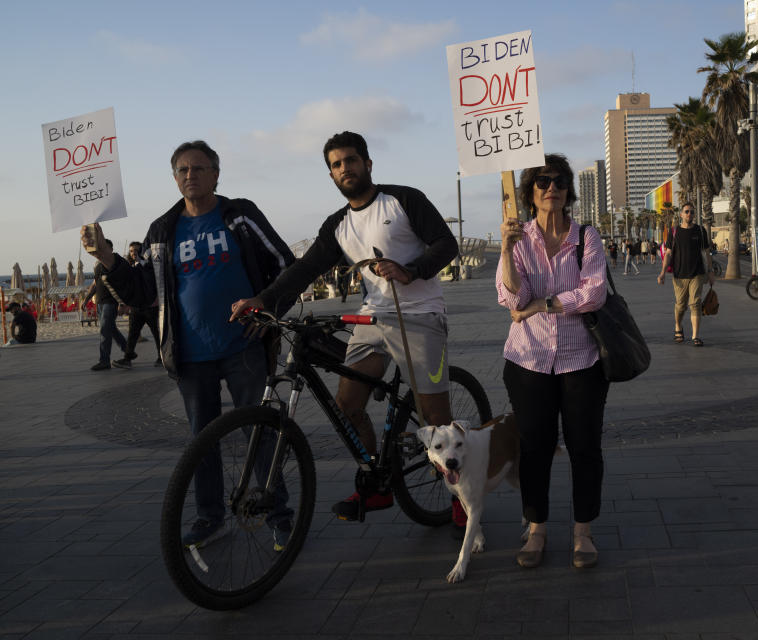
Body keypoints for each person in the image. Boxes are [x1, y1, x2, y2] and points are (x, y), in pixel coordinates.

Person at [229, 131, 461, 524]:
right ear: (332, 175)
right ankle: (376, 483)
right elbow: (305, 269)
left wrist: (410, 270)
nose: (344, 169)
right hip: (372, 317)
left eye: (351, 160)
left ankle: (460, 499)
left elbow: (446, 244)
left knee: (434, 416)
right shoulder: (337, 225)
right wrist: (263, 300)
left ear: (368, 164)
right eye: (336, 165)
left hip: (419, 315)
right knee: (347, 404)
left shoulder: (403, 199)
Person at [81, 140, 297, 549]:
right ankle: (209, 517)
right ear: (174, 177)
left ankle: (280, 515)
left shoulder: (240, 216)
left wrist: (266, 308)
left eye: (199, 168)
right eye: (182, 170)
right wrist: (106, 256)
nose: (190, 175)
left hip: (244, 347)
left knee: (260, 433)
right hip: (191, 356)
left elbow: (284, 263)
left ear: (216, 174)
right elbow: (143, 289)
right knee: (203, 440)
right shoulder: (162, 230)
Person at [497, 153, 610, 570]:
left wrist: (542, 304)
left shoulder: (587, 237)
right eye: (543, 181)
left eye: (559, 181)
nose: (552, 188)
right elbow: (511, 298)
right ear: (529, 192)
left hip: (582, 359)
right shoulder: (519, 238)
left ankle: (583, 532)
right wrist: (508, 251)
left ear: (568, 191)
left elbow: (593, 293)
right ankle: (537, 528)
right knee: (535, 448)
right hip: (527, 360)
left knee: (584, 447)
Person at [657, 202, 714, 347]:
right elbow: (668, 253)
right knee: (681, 306)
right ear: (681, 214)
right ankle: (678, 326)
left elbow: (707, 253)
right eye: (687, 211)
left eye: (692, 212)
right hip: (679, 274)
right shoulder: (674, 231)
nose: (689, 214)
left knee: (695, 303)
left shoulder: (700, 231)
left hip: (697, 273)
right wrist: (662, 272)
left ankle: (695, 336)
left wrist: (711, 271)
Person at [82, 239, 128, 370]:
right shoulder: (98, 265)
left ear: (111, 249)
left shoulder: (116, 263)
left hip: (111, 302)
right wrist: (87, 299)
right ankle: (128, 350)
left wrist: (122, 303)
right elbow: (95, 284)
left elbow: (123, 285)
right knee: (111, 329)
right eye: (101, 248)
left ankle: (104, 361)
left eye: (105, 248)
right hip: (100, 302)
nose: (102, 250)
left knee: (104, 330)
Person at [114, 242, 161, 368]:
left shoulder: (149, 266)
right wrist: (123, 303)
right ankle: (127, 359)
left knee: (157, 334)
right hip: (136, 307)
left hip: (150, 306)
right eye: (131, 251)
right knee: (132, 334)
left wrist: (141, 263)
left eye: (135, 250)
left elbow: (151, 282)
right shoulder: (130, 268)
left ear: (141, 251)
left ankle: (162, 357)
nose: (133, 253)